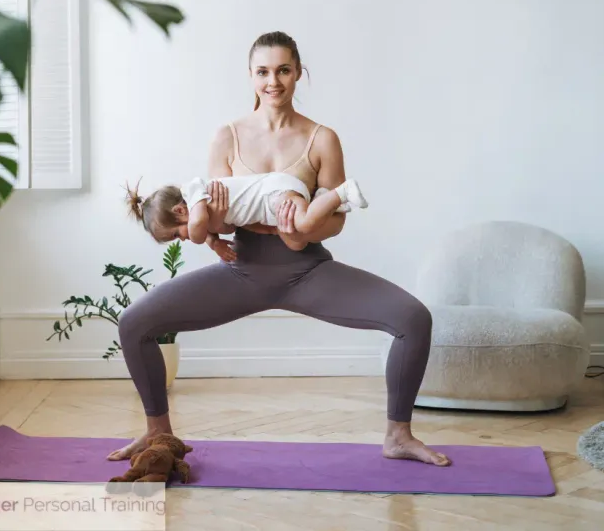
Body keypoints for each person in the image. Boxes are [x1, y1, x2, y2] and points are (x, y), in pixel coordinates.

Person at [107, 31, 451, 467]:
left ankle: (398, 436)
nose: (274, 81)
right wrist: (218, 232)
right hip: (243, 270)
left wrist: (299, 234)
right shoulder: (227, 137)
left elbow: (338, 217)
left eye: (284, 70)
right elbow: (219, 216)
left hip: (307, 270)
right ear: (251, 76)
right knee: (134, 322)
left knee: (413, 318)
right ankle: (159, 433)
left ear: (298, 73)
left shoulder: (322, 138)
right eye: (263, 72)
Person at [123, 171, 368, 251]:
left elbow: (198, 231)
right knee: (302, 224)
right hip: (268, 207)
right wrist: (215, 243)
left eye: (177, 234)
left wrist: (202, 238)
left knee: (303, 225)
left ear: (180, 210)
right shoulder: (198, 212)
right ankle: (322, 200)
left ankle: (342, 192)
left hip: (272, 192)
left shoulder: (193, 193)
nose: (183, 239)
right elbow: (214, 229)